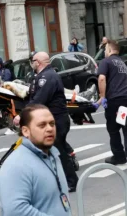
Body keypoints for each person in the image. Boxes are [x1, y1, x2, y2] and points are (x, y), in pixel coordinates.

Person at [13, 52, 79, 192]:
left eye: (33, 60)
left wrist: (22, 115)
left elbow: (39, 99)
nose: (31, 63)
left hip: (56, 121)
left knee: (58, 151)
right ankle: (61, 180)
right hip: (53, 120)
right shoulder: (42, 76)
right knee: (55, 151)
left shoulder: (47, 77)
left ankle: (71, 181)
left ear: (38, 62)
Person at [0, 104, 72, 216]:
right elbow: (15, 211)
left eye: (52, 124)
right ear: (25, 131)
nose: (49, 128)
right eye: (42, 125)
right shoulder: (16, 165)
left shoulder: (52, 154)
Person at [94, 40, 127, 168]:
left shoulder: (106, 62)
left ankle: (119, 156)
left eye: (105, 49)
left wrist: (102, 97)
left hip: (114, 100)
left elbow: (101, 78)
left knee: (113, 130)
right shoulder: (122, 63)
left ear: (109, 49)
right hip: (126, 99)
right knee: (126, 129)